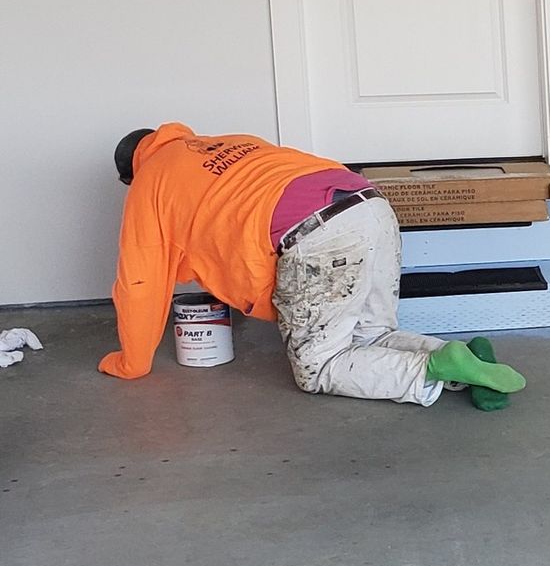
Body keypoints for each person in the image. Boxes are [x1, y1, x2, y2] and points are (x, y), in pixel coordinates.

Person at [102, 124, 527, 410]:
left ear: (130, 174)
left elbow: (140, 284)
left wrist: (132, 362)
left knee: (319, 366)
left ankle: (428, 369)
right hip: (370, 206)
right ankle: (459, 357)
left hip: (317, 236)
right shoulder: (230, 141)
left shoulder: (150, 181)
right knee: (372, 332)